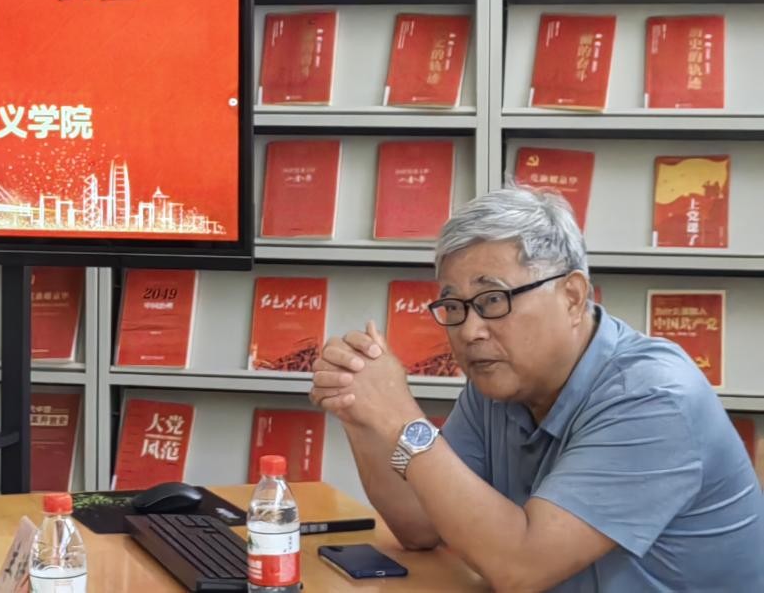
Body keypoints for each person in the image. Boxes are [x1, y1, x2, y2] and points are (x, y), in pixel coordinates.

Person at [310, 186, 764, 591]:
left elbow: (521, 569)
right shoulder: (502, 382)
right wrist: (360, 411)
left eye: (493, 299)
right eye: (454, 306)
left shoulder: (653, 398)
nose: (469, 331)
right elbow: (421, 526)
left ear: (572, 296)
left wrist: (401, 419)